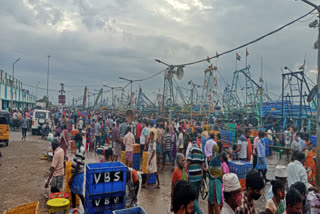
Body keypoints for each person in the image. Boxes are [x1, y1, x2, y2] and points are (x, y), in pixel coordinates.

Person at [187, 139, 206, 214]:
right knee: (196, 197)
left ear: (192, 144)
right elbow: (203, 165)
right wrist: (202, 177)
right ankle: (193, 211)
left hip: (192, 177)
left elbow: (188, 162)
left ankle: (199, 212)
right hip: (199, 177)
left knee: (192, 197)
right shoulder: (201, 151)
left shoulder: (191, 150)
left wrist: (186, 169)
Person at [68, 133, 85, 208]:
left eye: (76, 142)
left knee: (80, 193)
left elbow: (78, 164)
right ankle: (74, 208)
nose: (76, 143)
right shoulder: (79, 148)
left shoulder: (81, 149)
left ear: (80, 141)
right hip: (76, 174)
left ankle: (86, 209)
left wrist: (72, 177)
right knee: (73, 191)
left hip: (78, 175)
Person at [208, 145, 222, 214]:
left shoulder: (213, 160)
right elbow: (220, 171)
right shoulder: (219, 159)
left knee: (213, 204)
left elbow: (210, 170)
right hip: (218, 182)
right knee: (217, 203)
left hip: (213, 183)